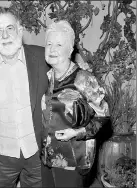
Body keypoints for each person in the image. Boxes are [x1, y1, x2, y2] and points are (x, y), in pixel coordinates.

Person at [41, 20, 110, 187]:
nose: (52, 49)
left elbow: (104, 115)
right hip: (46, 157)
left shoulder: (83, 78)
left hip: (72, 159)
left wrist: (77, 132)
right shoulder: (48, 76)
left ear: (70, 50)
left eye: (59, 44)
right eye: (49, 43)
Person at [0, 7, 50, 187]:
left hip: (36, 153)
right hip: (1, 158)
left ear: (20, 30)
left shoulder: (43, 57)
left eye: (10, 28)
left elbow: (68, 76)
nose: (4, 35)